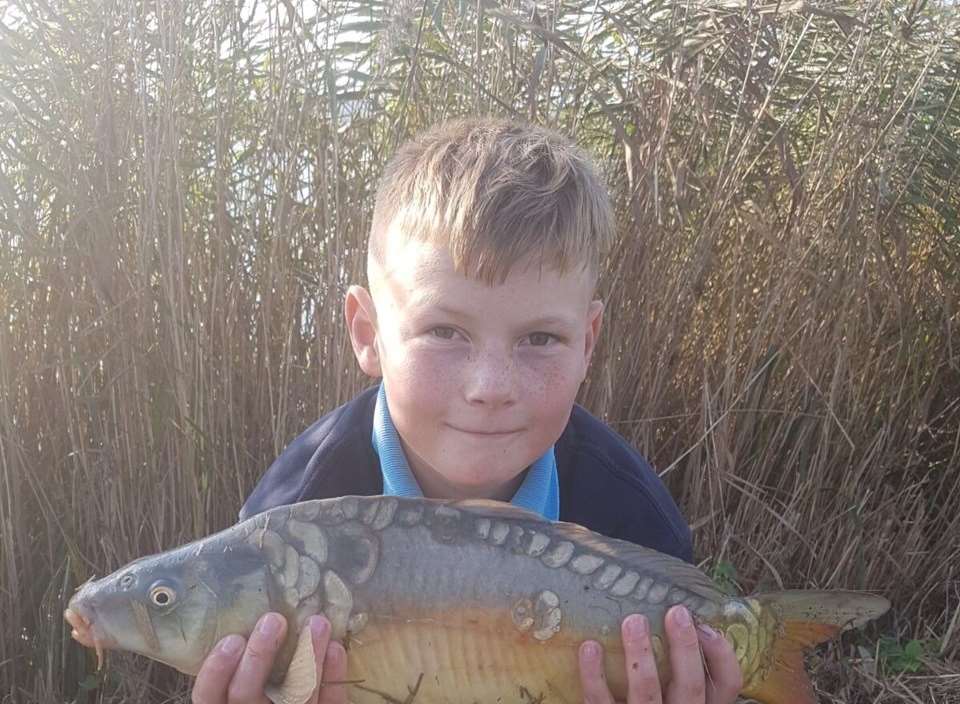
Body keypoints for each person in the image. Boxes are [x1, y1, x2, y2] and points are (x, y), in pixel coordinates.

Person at [190, 118, 742, 704]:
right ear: (368, 333)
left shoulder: (634, 518)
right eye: (445, 331)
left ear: (588, 343)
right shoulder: (288, 522)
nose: (490, 387)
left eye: (539, 339)